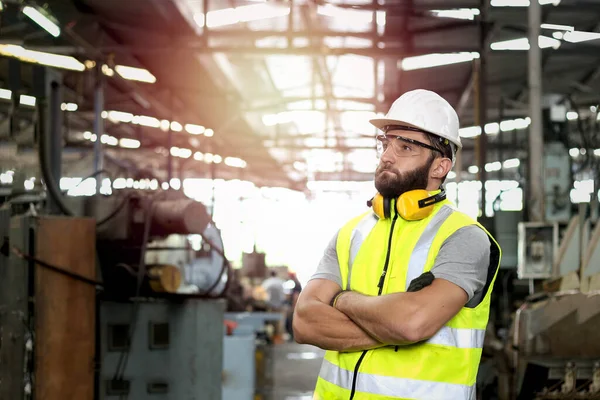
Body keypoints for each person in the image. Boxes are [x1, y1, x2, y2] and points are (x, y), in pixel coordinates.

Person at [293, 89, 501, 400]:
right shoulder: (351, 234)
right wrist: (391, 326)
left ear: (439, 167)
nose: (387, 156)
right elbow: (304, 322)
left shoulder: (464, 237)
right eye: (385, 144)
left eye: (405, 147)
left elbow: (412, 324)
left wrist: (342, 299)